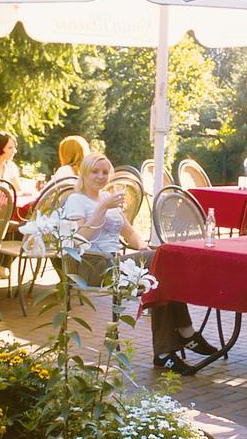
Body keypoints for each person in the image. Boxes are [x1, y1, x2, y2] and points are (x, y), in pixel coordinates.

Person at [61, 154, 217, 373]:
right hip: (93, 266)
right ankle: (185, 333)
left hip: (117, 263)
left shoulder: (107, 197)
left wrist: (143, 249)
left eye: (105, 172)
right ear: (84, 173)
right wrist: (101, 208)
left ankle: (167, 350)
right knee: (162, 262)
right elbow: (79, 238)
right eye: (95, 171)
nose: (100, 176)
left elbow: (130, 232)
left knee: (165, 259)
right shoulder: (77, 200)